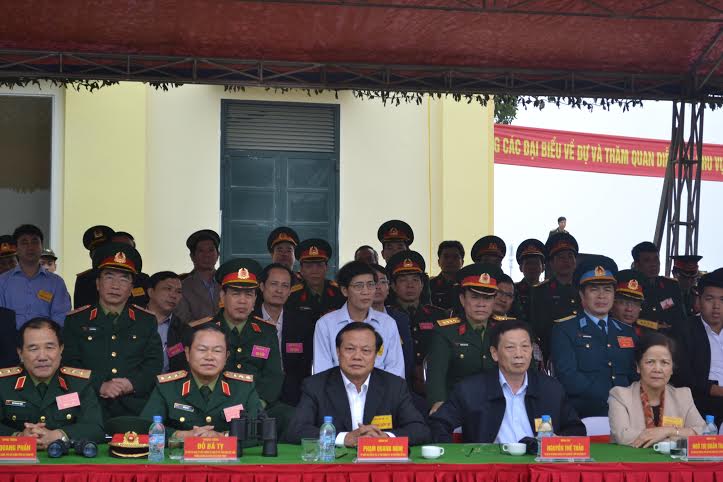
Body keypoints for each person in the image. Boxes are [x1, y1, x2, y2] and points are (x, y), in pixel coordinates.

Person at [429, 320, 585, 443]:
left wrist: (556, 443)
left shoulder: (550, 389)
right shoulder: (471, 390)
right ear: (494, 353)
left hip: (538, 466)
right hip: (491, 466)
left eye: (525, 346)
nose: (519, 354)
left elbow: (576, 429)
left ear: (532, 350)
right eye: (510, 347)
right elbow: (438, 423)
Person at [62, 242, 163, 420]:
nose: (115, 285)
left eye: (124, 279)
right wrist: (99, 385)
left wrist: (131, 384)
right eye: (109, 277)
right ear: (98, 283)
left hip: (135, 406)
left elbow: (154, 363)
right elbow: (69, 363)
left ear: (131, 288)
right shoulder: (76, 320)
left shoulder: (146, 320)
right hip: (88, 403)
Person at [286, 322, 430, 446]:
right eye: (350, 349)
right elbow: (296, 430)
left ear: (375, 355)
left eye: (366, 350)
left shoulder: (394, 386)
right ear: (338, 352)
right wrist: (344, 438)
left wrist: (385, 438)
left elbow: (420, 430)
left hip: (378, 463)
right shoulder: (315, 385)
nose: (357, 357)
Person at [550, 255, 638, 418]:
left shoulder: (627, 332)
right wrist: (612, 398)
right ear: (582, 295)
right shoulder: (565, 329)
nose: (601, 296)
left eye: (607, 289)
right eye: (594, 289)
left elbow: (634, 375)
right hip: (584, 415)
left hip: (627, 413)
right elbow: (568, 377)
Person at [140, 324, 261, 440]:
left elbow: (259, 430)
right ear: (187, 353)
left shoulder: (243, 388)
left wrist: (223, 437)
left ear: (226, 357)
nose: (209, 357)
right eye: (202, 350)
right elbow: (144, 428)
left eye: (217, 351)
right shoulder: (167, 388)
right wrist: (180, 435)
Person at [0, 318, 104, 446]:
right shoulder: (3, 384)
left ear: (61, 350)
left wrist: (59, 435)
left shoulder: (79, 384)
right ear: (20, 353)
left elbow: (95, 428)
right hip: (18, 456)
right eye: (33, 349)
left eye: (49, 347)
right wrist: (19, 437)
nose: (42, 357)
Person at [426, 263, 503, 413]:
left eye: (487, 298)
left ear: (494, 301)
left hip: (501, 404)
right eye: (474, 297)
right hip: (459, 407)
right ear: (462, 299)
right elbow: (436, 377)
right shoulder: (446, 331)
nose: (481, 304)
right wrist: (440, 408)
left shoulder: (507, 329)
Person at [609, 333, 705, 447]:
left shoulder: (683, 396)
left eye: (665, 362)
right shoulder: (620, 395)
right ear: (638, 367)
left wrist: (667, 431)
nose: (657, 369)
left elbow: (703, 432)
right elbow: (623, 436)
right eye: (650, 362)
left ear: (672, 369)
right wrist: (677, 436)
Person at [313, 261, 405, 378]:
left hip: (381, 388)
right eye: (359, 286)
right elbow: (322, 372)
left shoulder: (388, 323)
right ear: (344, 290)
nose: (366, 292)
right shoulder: (325, 324)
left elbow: (396, 370)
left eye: (370, 285)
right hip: (337, 388)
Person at [386, 251, 449, 394]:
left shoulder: (438, 315)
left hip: (430, 383)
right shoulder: (386, 316)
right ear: (393, 286)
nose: (410, 285)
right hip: (396, 384)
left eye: (415, 280)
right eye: (403, 280)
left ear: (422, 285)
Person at [253, 263, 315, 406]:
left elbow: (305, 367)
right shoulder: (250, 320)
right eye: (274, 284)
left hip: (293, 397)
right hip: (255, 394)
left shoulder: (302, 323)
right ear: (262, 286)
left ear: (290, 291)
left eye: (285, 285)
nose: (279, 290)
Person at [672, 268, 723, 426]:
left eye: (722, 300)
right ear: (699, 300)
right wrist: (715, 390)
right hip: (699, 405)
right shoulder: (683, 330)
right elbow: (681, 376)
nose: (716, 306)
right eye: (709, 299)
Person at [0, 224, 71, 328]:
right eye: (24, 242)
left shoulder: (56, 282)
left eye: (35, 242)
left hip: (46, 337)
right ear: (17, 249)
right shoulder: (2, 281)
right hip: (11, 338)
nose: (30, 247)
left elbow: (61, 318)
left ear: (41, 247)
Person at [529, 232, 580, 360]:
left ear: (575, 261)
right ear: (551, 263)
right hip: (552, 353)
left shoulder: (584, 289)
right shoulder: (540, 291)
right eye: (561, 257)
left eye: (570, 256)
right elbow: (536, 327)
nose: (566, 261)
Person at [369, 263, 414, 385]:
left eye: (383, 282)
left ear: (389, 288)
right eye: (373, 282)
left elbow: (407, 357)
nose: (378, 287)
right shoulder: (353, 318)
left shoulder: (399, 318)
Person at [631, 242, 686, 332]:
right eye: (647, 260)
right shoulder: (632, 288)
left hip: (671, 336)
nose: (653, 264)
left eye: (656, 259)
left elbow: (681, 318)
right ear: (637, 265)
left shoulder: (671, 286)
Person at [286, 239, 345, 322]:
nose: (314, 271)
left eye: (319, 265)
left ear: (326, 268)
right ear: (301, 270)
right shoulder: (292, 296)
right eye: (309, 266)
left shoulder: (340, 293)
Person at [175, 230, 222, 322]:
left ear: (218, 255)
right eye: (201, 251)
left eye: (211, 250)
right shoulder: (183, 287)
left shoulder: (227, 283)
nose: (207, 255)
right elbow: (184, 321)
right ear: (192, 256)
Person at [146, 271, 186, 373]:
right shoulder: (131, 321)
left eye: (178, 292)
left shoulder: (184, 330)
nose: (173, 295)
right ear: (151, 292)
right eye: (168, 289)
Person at [73, 225, 115, 309]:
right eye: (97, 251)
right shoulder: (84, 279)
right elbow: (80, 311)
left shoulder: (124, 274)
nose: (101, 254)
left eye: (105, 249)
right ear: (91, 255)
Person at [613, 269, 659, 335]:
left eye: (636, 304)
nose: (629, 309)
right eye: (623, 302)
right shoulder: (602, 331)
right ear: (612, 303)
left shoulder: (642, 334)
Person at [513, 239, 546, 319]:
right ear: (520, 268)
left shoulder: (548, 290)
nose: (532, 267)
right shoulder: (513, 290)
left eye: (536, 263)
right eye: (528, 263)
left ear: (543, 268)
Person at [429, 241, 464, 311]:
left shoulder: (467, 286)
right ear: (438, 262)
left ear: (462, 262)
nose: (450, 261)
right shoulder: (429, 285)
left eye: (455, 257)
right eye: (446, 257)